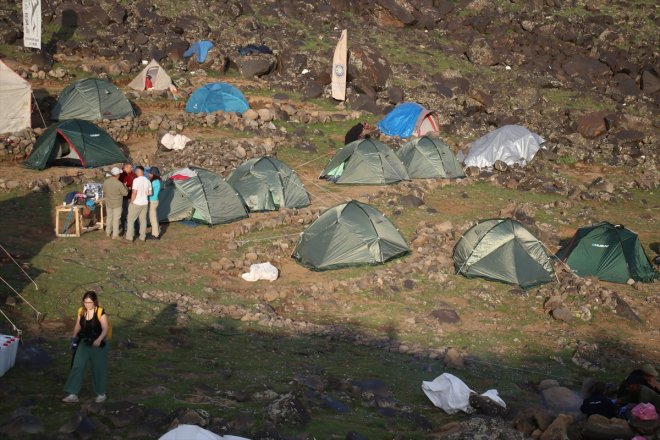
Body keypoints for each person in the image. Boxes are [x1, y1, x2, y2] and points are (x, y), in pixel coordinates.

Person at [62, 291, 109, 403]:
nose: (87, 304)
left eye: (90, 302)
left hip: (98, 345)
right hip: (84, 342)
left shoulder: (100, 312)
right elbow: (78, 325)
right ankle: (73, 394)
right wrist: (74, 338)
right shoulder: (81, 311)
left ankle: (101, 393)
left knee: (98, 369)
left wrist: (99, 339)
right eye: (85, 302)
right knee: (77, 366)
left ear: (95, 301)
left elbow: (105, 328)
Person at [125, 166, 152, 243]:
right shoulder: (148, 181)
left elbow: (134, 192)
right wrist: (144, 193)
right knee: (143, 221)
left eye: (136, 171)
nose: (135, 172)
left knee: (130, 220)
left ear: (138, 171)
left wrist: (131, 201)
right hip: (145, 203)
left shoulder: (136, 180)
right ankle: (142, 237)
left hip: (136, 203)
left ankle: (129, 238)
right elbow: (150, 193)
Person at [102, 167, 128, 239]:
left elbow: (104, 190)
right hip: (117, 204)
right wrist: (125, 187)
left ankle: (108, 232)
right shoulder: (119, 184)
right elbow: (125, 194)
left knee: (109, 218)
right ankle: (115, 235)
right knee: (116, 219)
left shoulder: (106, 182)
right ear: (118, 175)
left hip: (108, 202)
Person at [118, 163, 136, 232]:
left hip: (132, 196)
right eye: (130, 167)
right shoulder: (121, 175)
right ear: (125, 167)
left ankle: (131, 226)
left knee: (131, 212)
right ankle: (124, 226)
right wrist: (126, 187)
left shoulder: (133, 174)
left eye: (132, 168)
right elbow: (119, 186)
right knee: (124, 212)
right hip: (124, 197)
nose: (131, 169)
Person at [147, 166, 161, 240]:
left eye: (150, 173)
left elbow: (150, 192)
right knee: (155, 218)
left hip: (153, 201)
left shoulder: (154, 182)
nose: (149, 174)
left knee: (153, 219)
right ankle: (156, 232)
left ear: (153, 174)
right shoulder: (157, 181)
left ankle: (155, 235)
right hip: (155, 200)